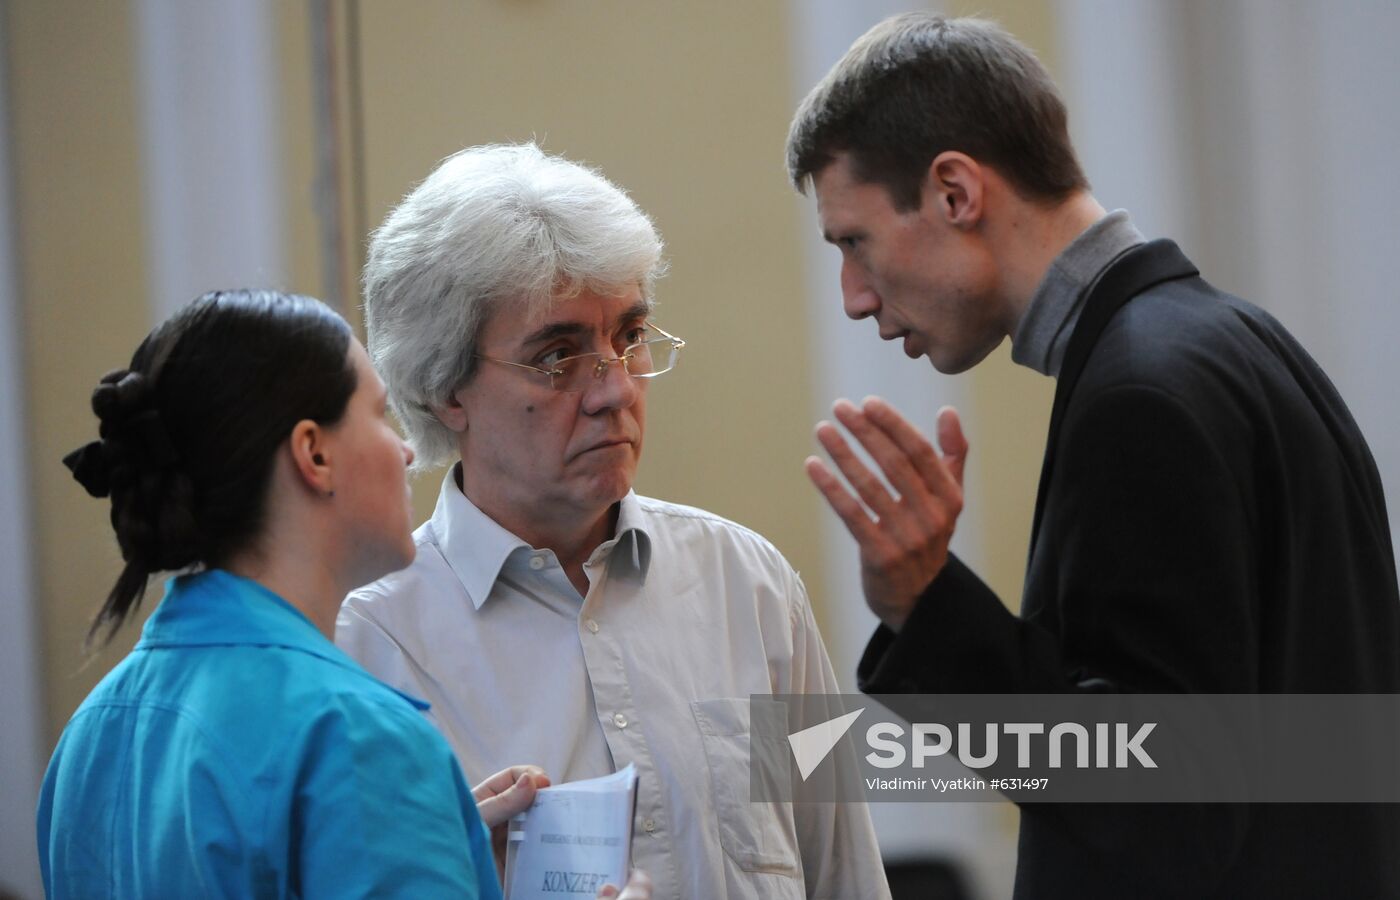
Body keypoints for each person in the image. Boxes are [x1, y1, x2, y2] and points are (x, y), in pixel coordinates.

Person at [785, 12, 1400, 900]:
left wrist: (931, 609)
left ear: (956, 192)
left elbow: (1159, 813)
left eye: (854, 240)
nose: (851, 296)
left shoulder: (1140, 395)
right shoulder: (1231, 341)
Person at [335, 143, 889, 900]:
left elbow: (844, 877)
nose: (616, 390)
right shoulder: (373, 644)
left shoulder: (749, 586)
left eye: (629, 336)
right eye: (558, 356)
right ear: (444, 389)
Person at [40, 289, 649, 899]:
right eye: (380, 415)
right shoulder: (358, 738)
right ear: (315, 454)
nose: (406, 450)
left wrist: (447, 862)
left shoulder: (90, 734)